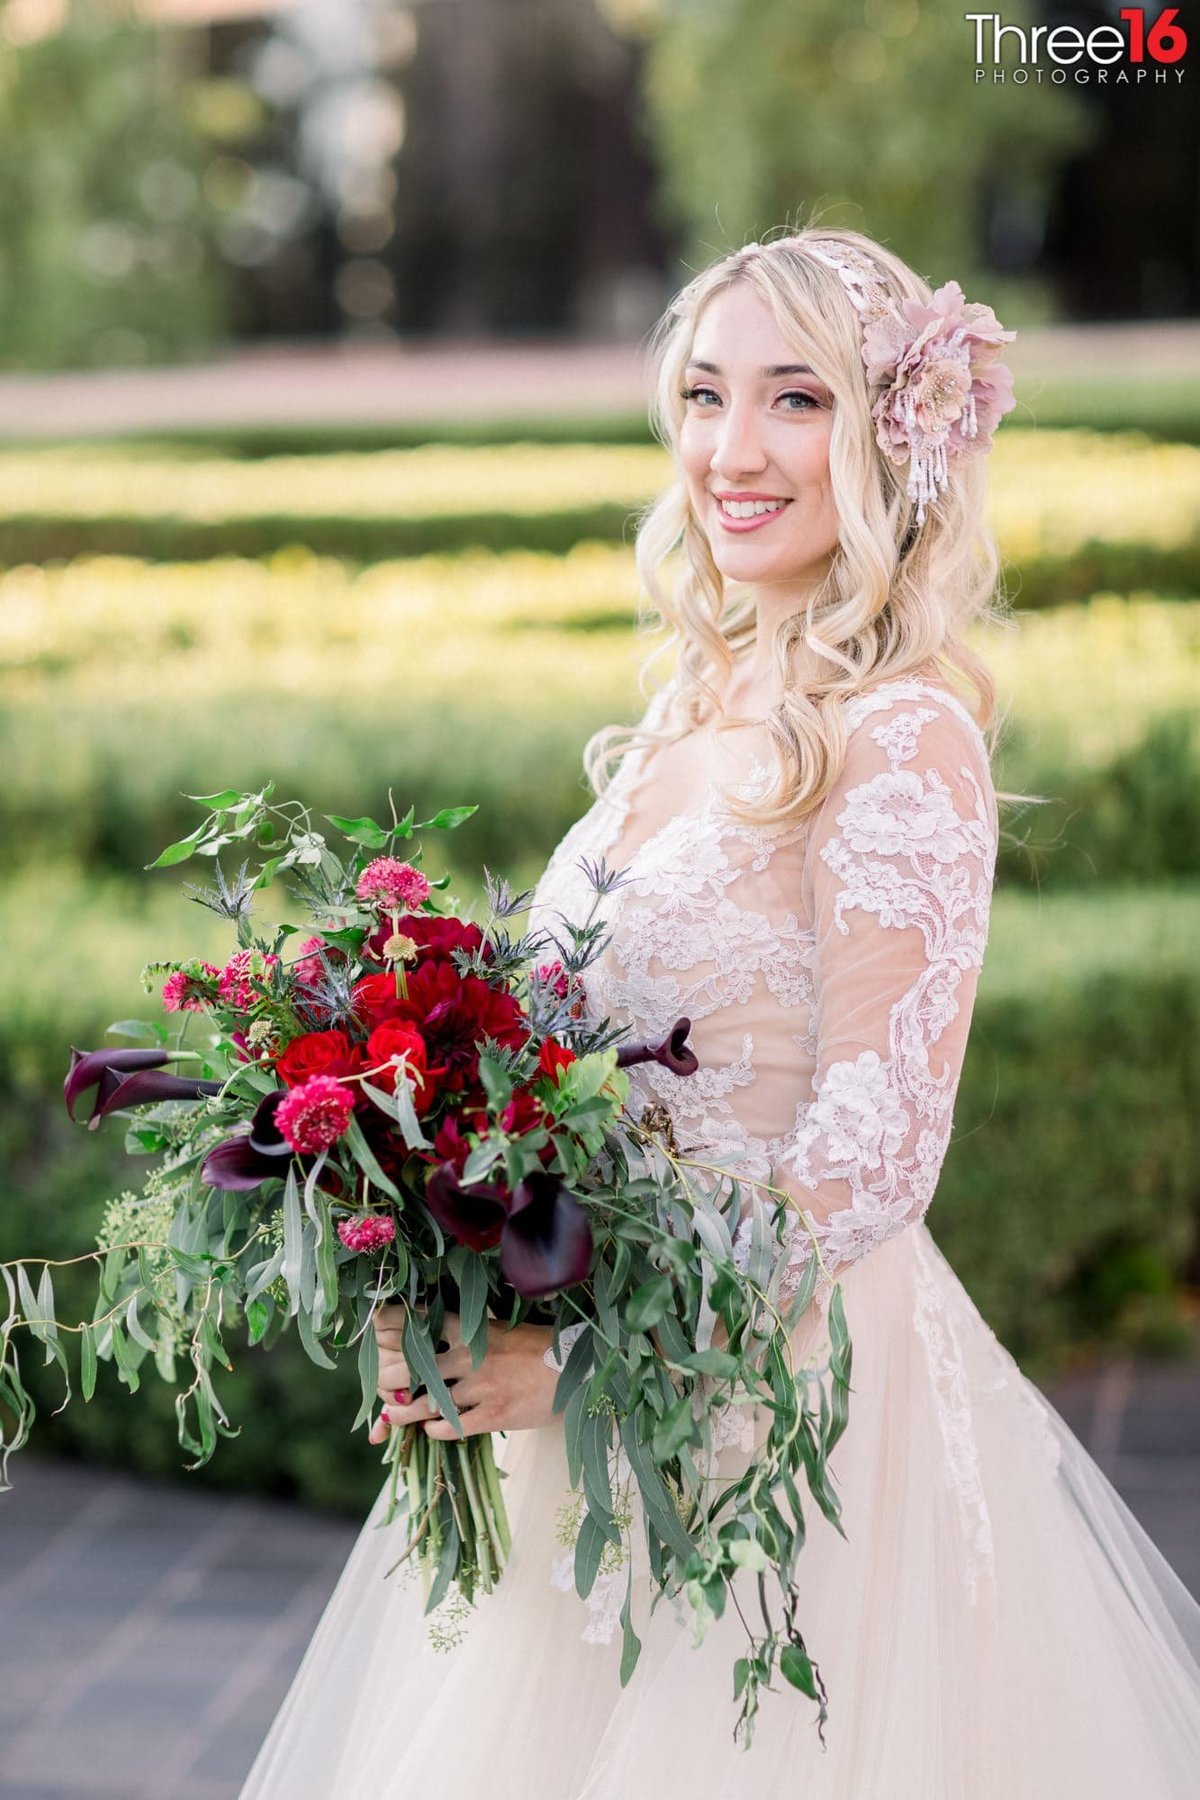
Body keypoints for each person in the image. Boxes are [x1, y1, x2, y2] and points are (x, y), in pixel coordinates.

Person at [239, 227, 1200, 1797]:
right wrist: (448, 1261)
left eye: (795, 401)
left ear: (893, 437)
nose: (730, 452)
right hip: (574, 1413)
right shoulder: (688, 711)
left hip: (783, 1425)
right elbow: (560, 1087)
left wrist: (609, 1363)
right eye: (702, 395)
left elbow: (872, 1159)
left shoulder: (900, 741)